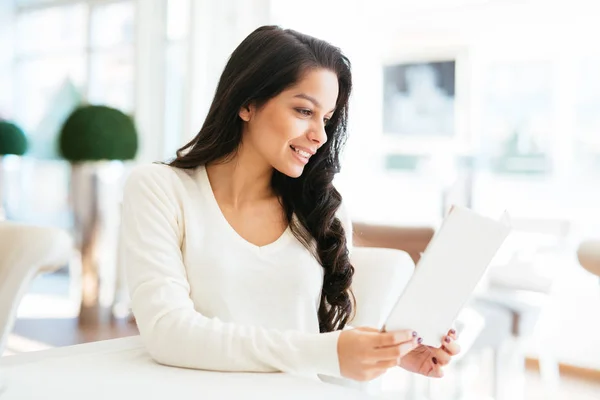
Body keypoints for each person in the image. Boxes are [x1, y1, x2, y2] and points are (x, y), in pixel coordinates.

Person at [118, 25, 460, 383]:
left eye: (327, 118)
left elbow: (330, 335)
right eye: (303, 111)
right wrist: (328, 352)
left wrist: (394, 353)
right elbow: (168, 331)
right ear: (247, 103)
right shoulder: (160, 190)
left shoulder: (321, 209)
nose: (320, 135)